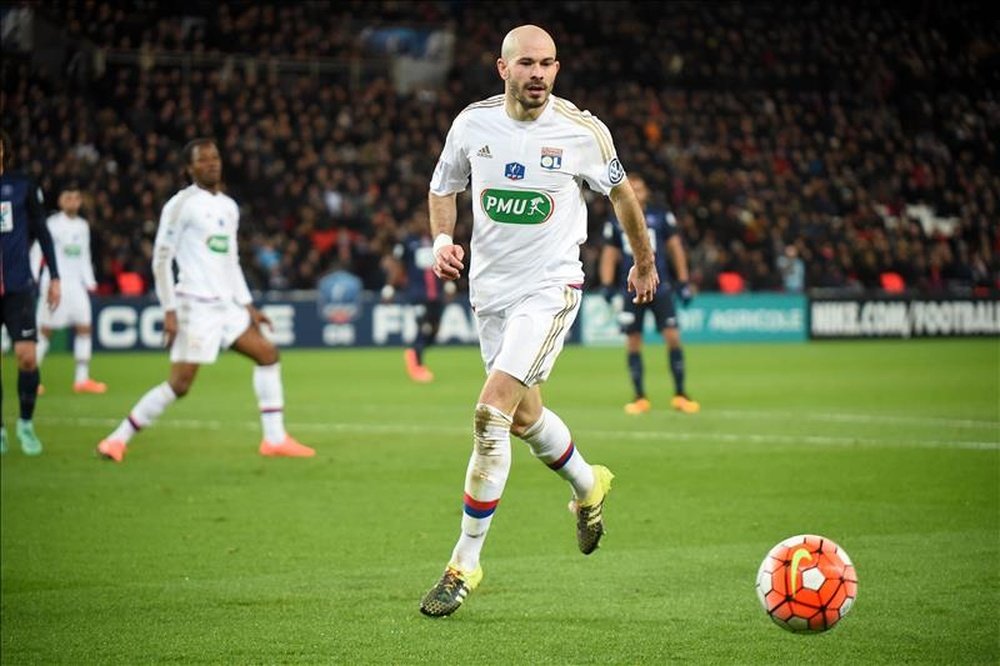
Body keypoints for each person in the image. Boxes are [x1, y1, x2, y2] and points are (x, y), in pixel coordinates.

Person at [418, 25, 659, 618]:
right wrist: (442, 239)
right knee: (525, 418)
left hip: (550, 289)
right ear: (503, 69)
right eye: (527, 63)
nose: (540, 75)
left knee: (490, 412)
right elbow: (442, 187)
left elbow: (623, 195)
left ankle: (463, 564)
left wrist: (644, 259)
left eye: (549, 64)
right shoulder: (471, 124)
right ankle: (588, 485)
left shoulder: (581, 131)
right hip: (490, 295)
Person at [95, 138, 314, 462]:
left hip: (226, 306)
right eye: (203, 159)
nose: (212, 163)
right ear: (190, 167)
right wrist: (169, 310)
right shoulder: (180, 205)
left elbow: (231, 261)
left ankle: (274, 439)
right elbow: (160, 260)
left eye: (215, 157)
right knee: (180, 384)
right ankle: (117, 439)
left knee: (268, 354)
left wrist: (247, 305)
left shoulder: (229, 206)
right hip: (194, 305)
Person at [599, 173, 700, 415]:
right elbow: (609, 254)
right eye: (631, 188)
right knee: (633, 341)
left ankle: (680, 394)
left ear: (646, 192)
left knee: (673, 336)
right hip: (631, 287)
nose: (635, 192)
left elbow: (675, 248)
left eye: (640, 188)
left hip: (660, 285)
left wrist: (683, 280)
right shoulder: (615, 221)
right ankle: (639, 397)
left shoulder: (661, 216)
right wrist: (606, 284)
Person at [0, 129, 61, 455]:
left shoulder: (21, 185)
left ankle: (25, 424)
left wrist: (55, 276)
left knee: (26, 357)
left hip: (17, 285)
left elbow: (42, 231)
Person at [31, 184, 107, 394]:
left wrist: (90, 282)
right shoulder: (51, 224)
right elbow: (38, 250)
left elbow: (84, 256)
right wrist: (33, 278)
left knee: (84, 328)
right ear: (60, 201)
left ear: (80, 201)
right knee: (45, 331)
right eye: (68, 197)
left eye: (76, 197)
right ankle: (31, 378)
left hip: (76, 286)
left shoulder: (83, 226)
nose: (72, 201)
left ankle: (81, 380)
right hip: (55, 284)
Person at [384, 211, 448, 383]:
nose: (423, 224)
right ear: (413, 223)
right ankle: (417, 365)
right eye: (419, 221)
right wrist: (390, 287)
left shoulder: (436, 242)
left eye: (425, 220)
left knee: (434, 330)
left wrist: (449, 283)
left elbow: (444, 263)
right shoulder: (407, 243)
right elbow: (398, 267)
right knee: (422, 327)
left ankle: (413, 353)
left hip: (436, 294)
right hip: (417, 294)